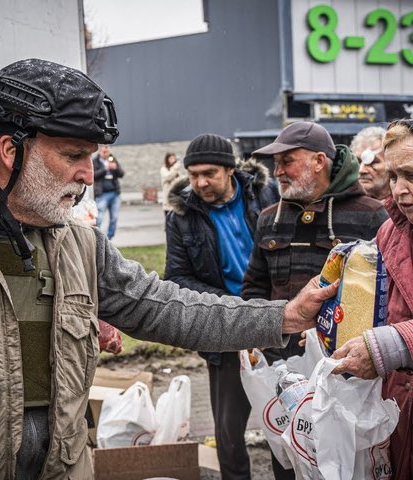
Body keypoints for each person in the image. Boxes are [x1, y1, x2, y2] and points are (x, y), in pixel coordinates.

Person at [0, 58, 337, 480]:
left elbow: (166, 307)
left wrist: (283, 316)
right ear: (10, 151)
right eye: (74, 155)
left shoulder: (80, 245)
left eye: (91, 157)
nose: (88, 175)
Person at [241, 121, 388, 480]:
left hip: (348, 375)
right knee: (289, 459)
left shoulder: (373, 215)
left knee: (347, 465)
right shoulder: (268, 219)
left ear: (319, 160)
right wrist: (257, 343)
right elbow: (254, 288)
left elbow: (389, 296)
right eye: (276, 163)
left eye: (287, 161)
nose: (277, 171)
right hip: (283, 371)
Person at [164, 133, 279, 480]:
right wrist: (232, 309)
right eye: (194, 174)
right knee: (229, 433)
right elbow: (178, 278)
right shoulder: (181, 216)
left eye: (209, 173)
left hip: (277, 321)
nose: (200, 182)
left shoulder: (266, 195)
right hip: (225, 328)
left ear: (230, 170)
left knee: (286, 419)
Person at [332, 118, 413, 479]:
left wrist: (394, 345)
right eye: (394, 177)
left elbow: (393, 336)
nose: (400, 191)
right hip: (397, 407)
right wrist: (334, 326)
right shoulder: (388, 230)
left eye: (411, 175)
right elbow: (383, 307)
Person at [350, 125, 391, 201]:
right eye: (358, 161)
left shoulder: (405, 208)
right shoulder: (343, 205)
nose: (361, 170)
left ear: (391, 165)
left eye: (372, 162)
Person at [93, 144, 124, 239]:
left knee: (114, 218)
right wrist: (104, 169)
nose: (106, 153)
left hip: (115, 193)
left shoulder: (112, 159)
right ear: (100, 151)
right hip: (102, 194)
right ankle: (96, 238)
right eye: (104, 152)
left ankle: (109, 239)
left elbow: (122, 174)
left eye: (107, 151)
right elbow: (93, 175)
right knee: (99, 218)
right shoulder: (95, 161)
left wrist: (116, 168)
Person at [160, 152, 183, 217]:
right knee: (169, 220)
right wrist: (175, 167)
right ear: (167, 159)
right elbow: (168, 177)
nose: (173, 160)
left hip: (176, 199)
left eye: (174, 158)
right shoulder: (164, 169)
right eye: (171, 158)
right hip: (168, 200)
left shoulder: (176, 170)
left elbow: (179, 182)